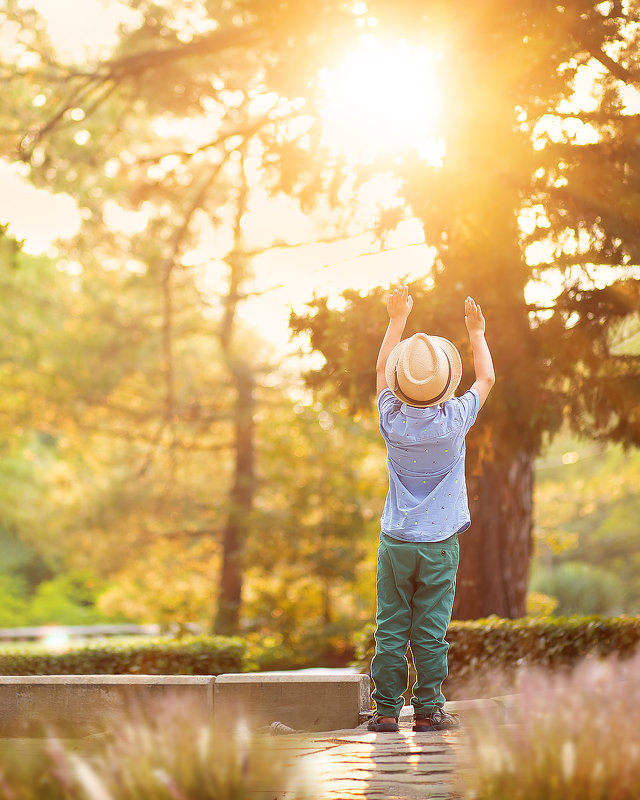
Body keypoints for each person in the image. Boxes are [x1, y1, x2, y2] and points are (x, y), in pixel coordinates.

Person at [367, 286, 495, 733]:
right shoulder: (454, 421)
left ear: (402, 385)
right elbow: (486, 381)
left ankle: (384, 712)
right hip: (439, 546)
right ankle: (427, 710)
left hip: (395, 543)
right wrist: (476, 334)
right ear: (443, 386)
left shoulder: (391, 420)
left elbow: (382, 369)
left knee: (391, 627)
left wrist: (397, 320)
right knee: (429, 630)